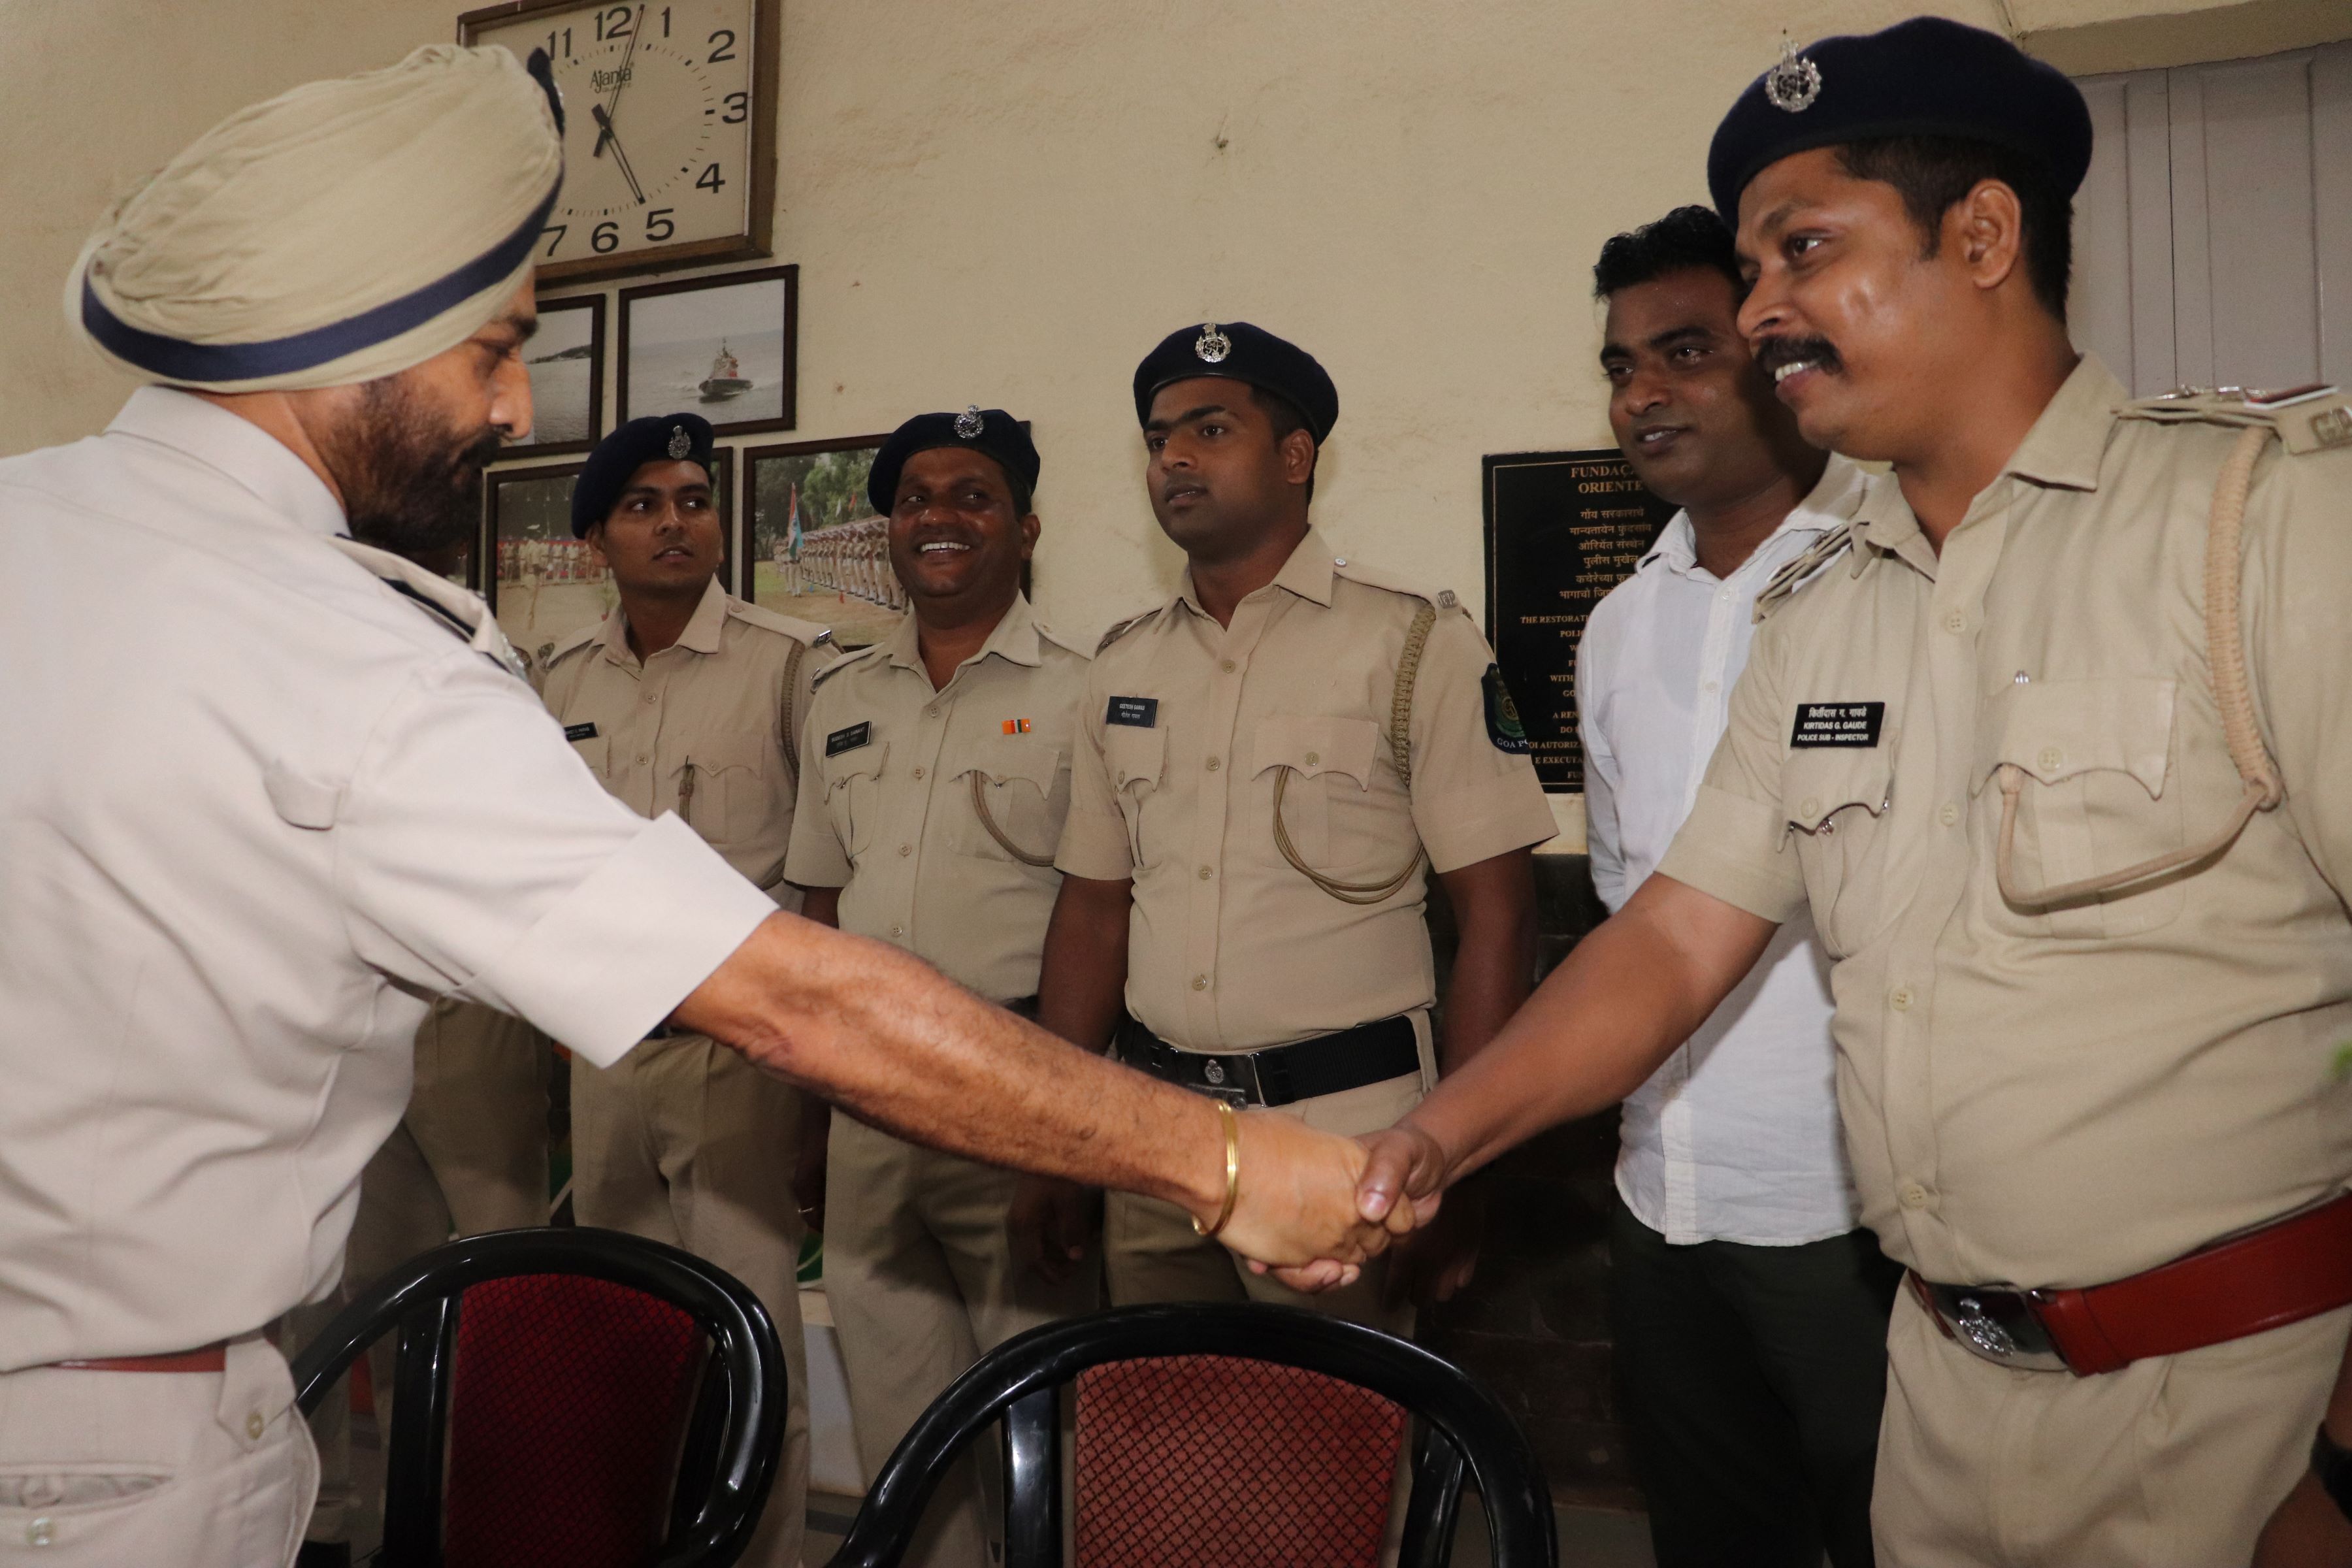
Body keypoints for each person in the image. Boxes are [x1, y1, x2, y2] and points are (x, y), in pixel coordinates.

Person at [0, 46, 1410, 1567]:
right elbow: (799, 1001)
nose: (514, 406)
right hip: (96, 1473)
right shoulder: (349, 657)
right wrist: (1227, 1164)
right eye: (493, 350)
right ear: (352, 338)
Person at [1345, 18, 2352, 1565]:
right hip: (1944, 1404)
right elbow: (1673, 938)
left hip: (2244, 1407)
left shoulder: (2262, 528)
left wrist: (2341, 1454)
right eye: (1752, 271)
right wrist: (1433, 1142)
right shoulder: (1824, 612)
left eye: (1804, 250)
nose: (1763, 311)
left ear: (1985, 236)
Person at [1036, 321, 1556, 1333]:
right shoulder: (1123, 665)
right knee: (1163, 1424)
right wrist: (1059, 1140)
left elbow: (1499, 917)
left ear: (1294, 456)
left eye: (1210, 430)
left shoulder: (1413, 642)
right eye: (1157, 439)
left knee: (1332, 1427)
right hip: (1156, 1144)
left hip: (1348, 1145)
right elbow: (1095, 914)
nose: (1173, 458)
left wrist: (1462, 1160)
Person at [1584, 204, 1895, 1568]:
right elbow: (1626, 912)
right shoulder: (1617, 627)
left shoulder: (1894, 582)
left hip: (1849, 1207)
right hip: (1663, 1196)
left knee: (1897, 1533)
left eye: (1686, 351)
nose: (1644, 394)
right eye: (1622, 366)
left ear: (1776, 356)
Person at [787, 408, 1097, 1568]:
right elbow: (821, 908)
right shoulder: (840, 698)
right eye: (916, 498)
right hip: (867, 1103)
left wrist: (1065, 1137)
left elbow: (1100, 916)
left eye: (973, 495)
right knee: (902, 1433)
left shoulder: (1084, 693)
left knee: (1043, 1429)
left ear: (1026, 528)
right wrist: (810, 1118)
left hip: (1015, 1092)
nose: (939, 517)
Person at [535, 410, 830, 1568]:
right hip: (607, 1047)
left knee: (756, 1346)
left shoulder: (789, 663)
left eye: (695, 502)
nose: (676, 524)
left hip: (740, 1051)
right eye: (644, 506)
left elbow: (824, 871)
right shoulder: (560, 679)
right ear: (597, 540)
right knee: (625, 1338)